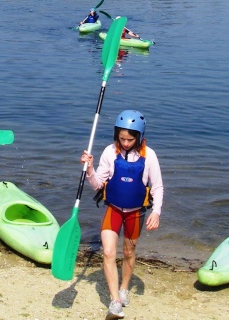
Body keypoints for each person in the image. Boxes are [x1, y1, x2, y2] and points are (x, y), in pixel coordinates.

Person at [80, 110, 163, 320]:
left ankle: (124, 287)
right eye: (122, 138)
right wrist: (89, 169)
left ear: (139, 137)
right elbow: (98, 184)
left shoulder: (149, 155)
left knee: (128, 253)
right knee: (108, 252)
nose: (125, 143)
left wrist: (157, 211)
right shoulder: (109, 152)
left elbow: (158, 187)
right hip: (114, 210)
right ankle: (115, 302)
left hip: (136, 213)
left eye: (130, 139)